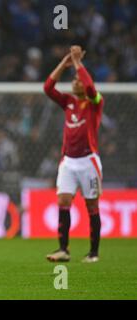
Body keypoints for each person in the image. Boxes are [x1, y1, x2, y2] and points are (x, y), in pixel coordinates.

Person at [43, 46, 104, 263]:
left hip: (89, 161)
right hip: (68, 161)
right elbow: (48, 87)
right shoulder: (68, 102)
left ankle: (94, 252)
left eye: (78, 79)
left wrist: (78, 63)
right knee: (63, 200)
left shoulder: (95, 102)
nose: (76, 82)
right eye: (74, 79)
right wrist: (64, 63)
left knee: (91, 206)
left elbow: (89, 86)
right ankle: (63, 250)